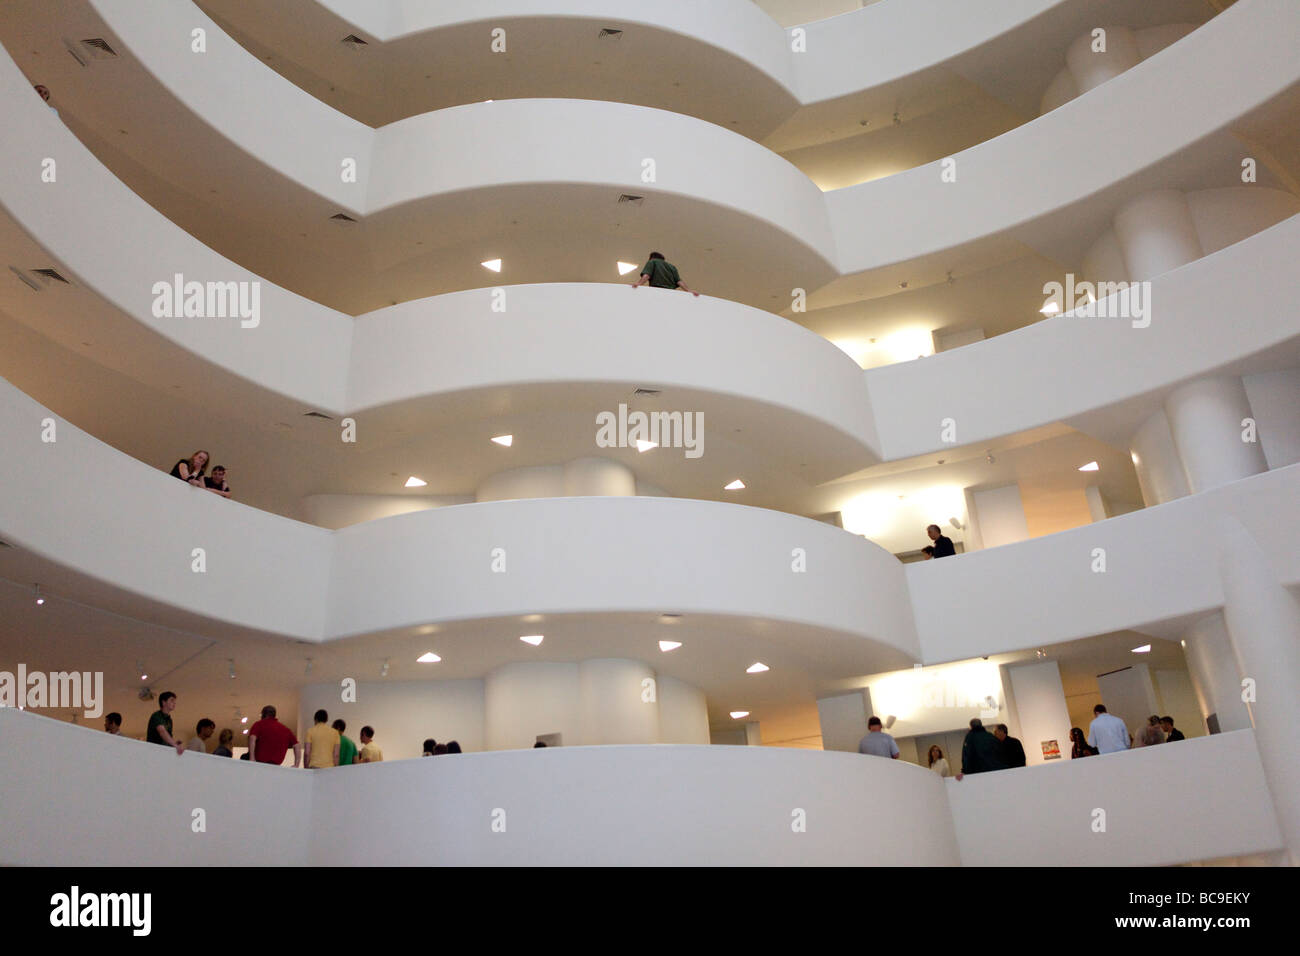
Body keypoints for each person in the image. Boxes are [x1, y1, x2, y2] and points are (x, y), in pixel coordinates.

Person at [631, 252, 700, 296]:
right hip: (670, 293)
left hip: (656, 291)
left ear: (651, 258)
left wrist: (638, 284)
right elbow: (679, 281)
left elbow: (647, 275)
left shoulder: (652, 261)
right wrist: (689, 290)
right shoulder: (672, 266)